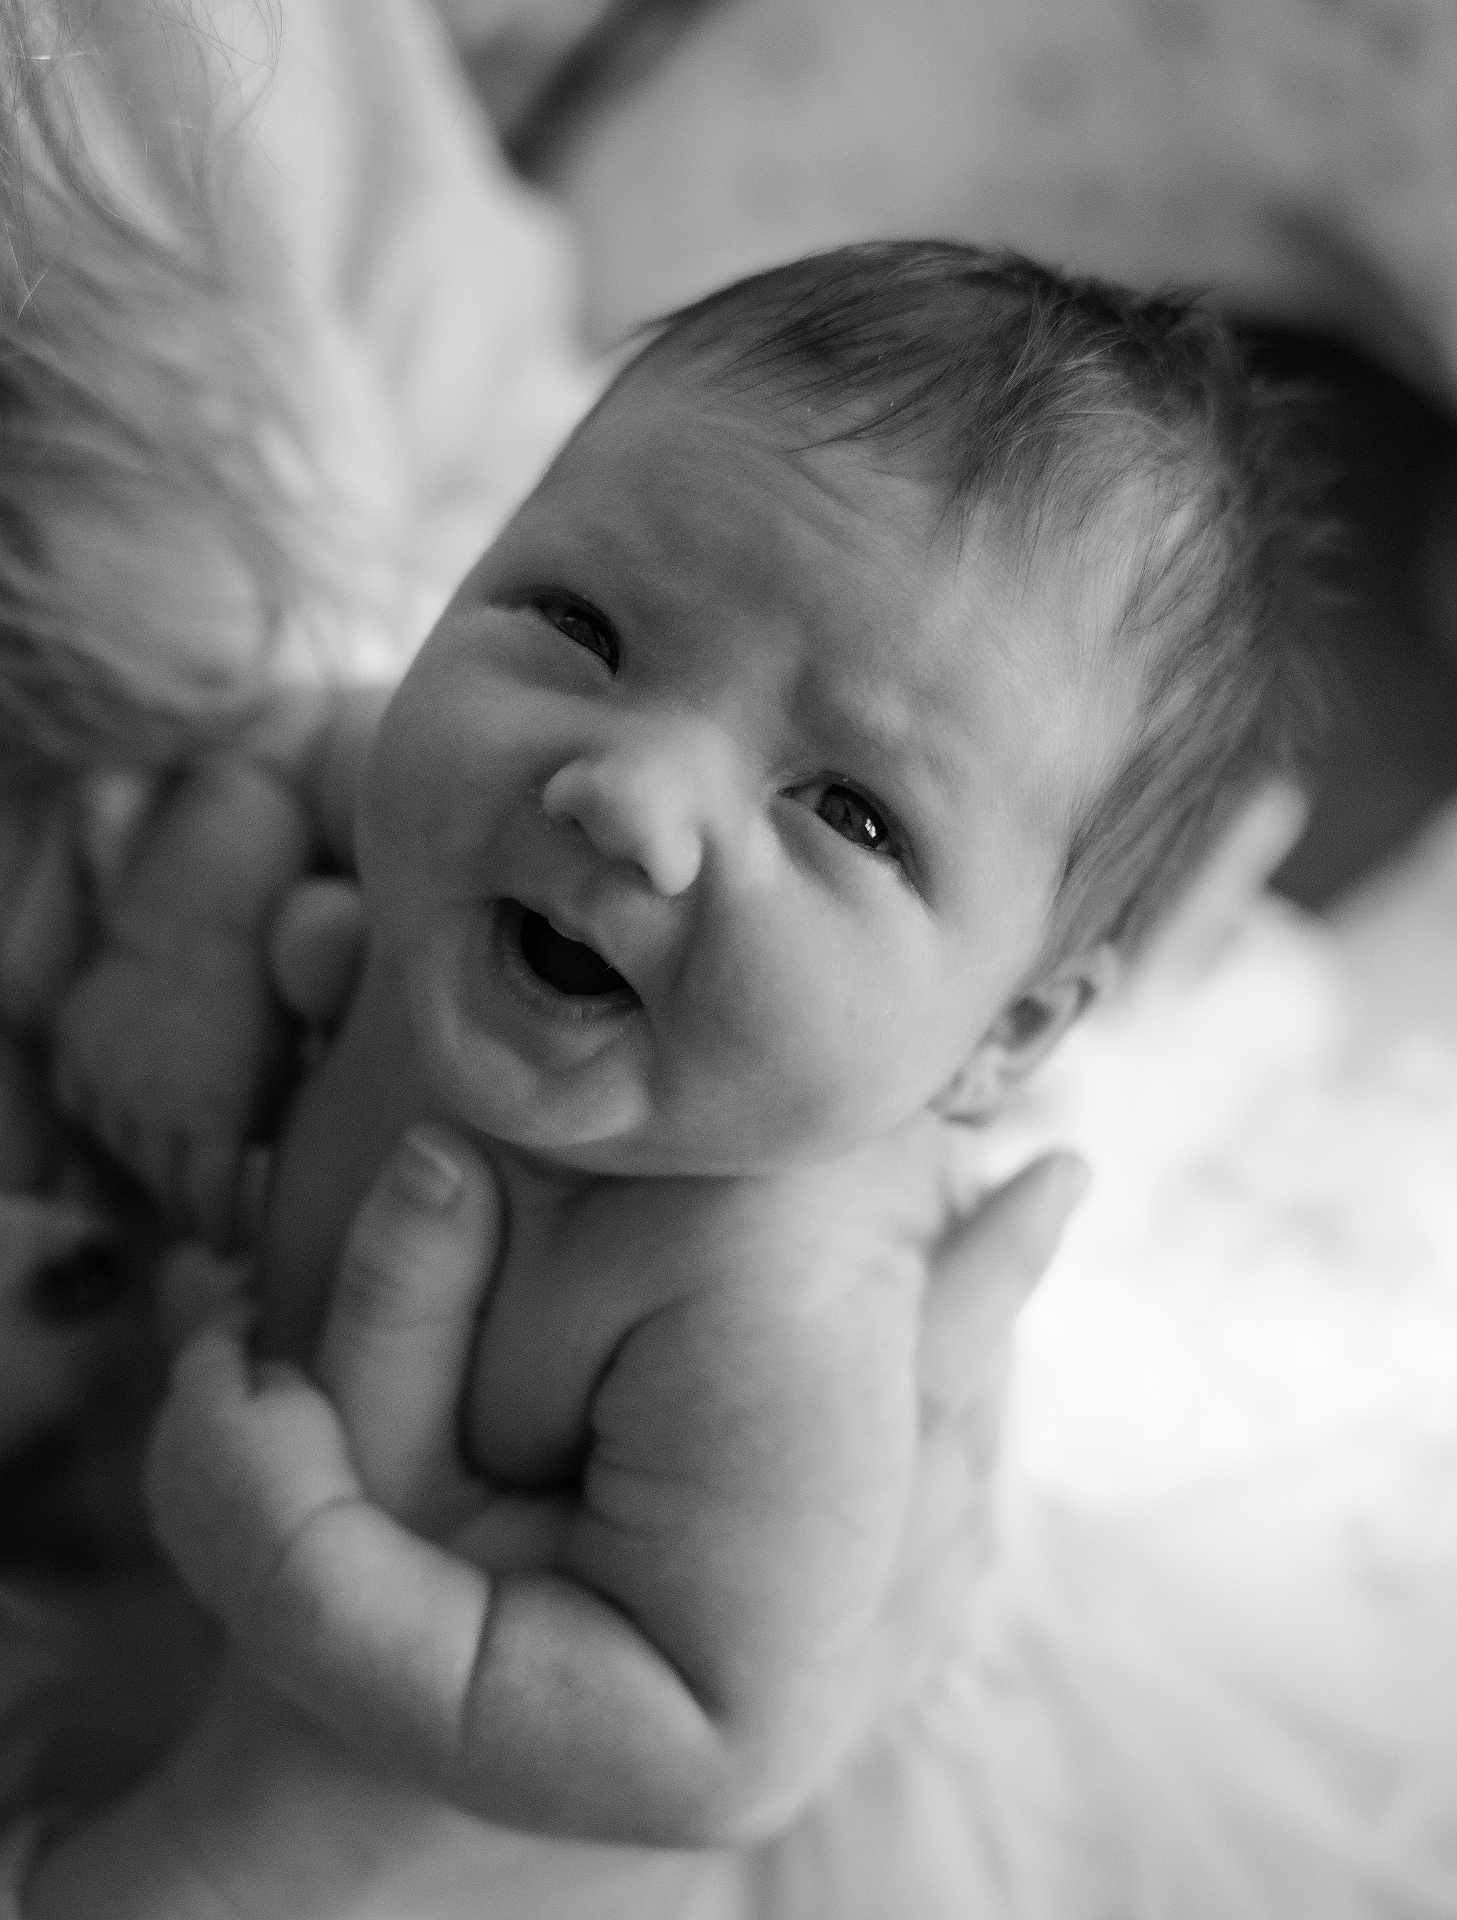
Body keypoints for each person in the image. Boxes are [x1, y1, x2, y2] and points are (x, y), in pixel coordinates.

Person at [72, 241, 1313, 1848]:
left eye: (849, 811)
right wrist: (184, 947)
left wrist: (303, 1567)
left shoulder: (770, 1307)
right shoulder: (444, 802)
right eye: (581, 625)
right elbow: (285, 744)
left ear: (1001, 1037)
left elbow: (703, 1742)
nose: (629, 795)